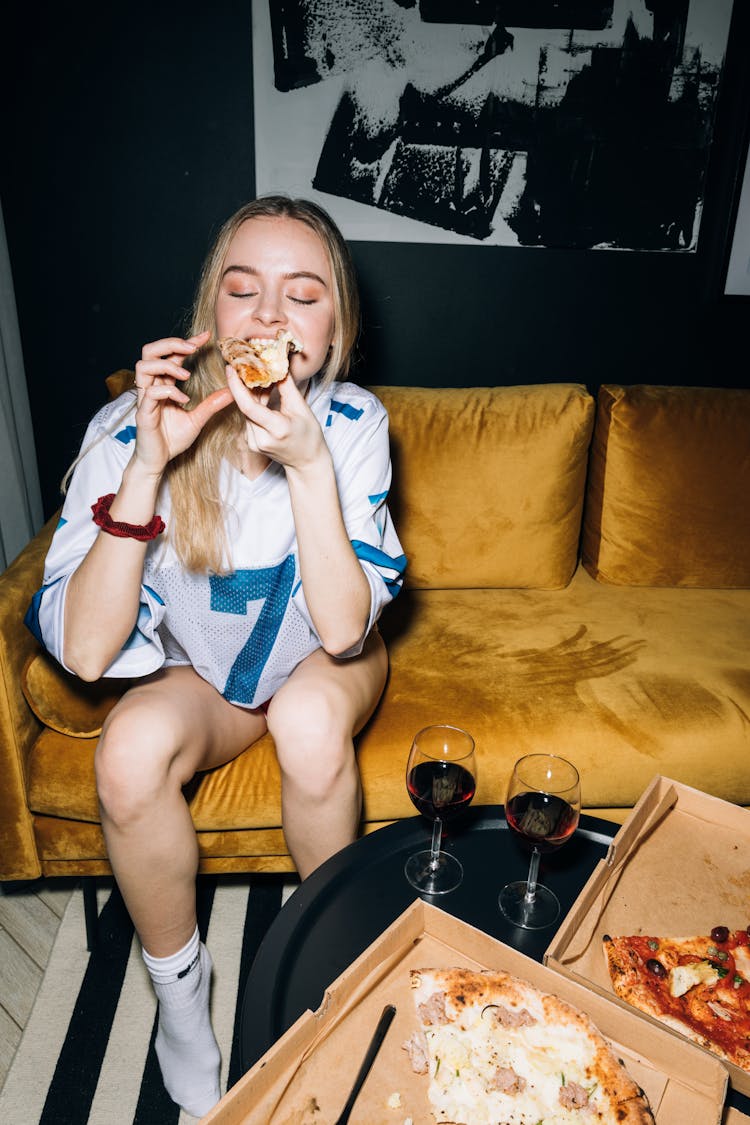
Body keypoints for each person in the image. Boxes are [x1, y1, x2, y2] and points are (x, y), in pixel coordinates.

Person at [26, 195, 406, 1117]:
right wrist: (149, 466)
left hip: (327, 654)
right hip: (208, 679)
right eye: (245, 291)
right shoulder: (130, 425)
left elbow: (347, 629)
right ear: (211, 317)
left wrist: (310, 465)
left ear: (337, 332)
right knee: (125, 753)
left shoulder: (352, 424)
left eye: (304, 295)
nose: (271, 316)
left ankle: (333, 973)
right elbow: (84, 647)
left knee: (308, 720)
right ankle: (182, 1002)